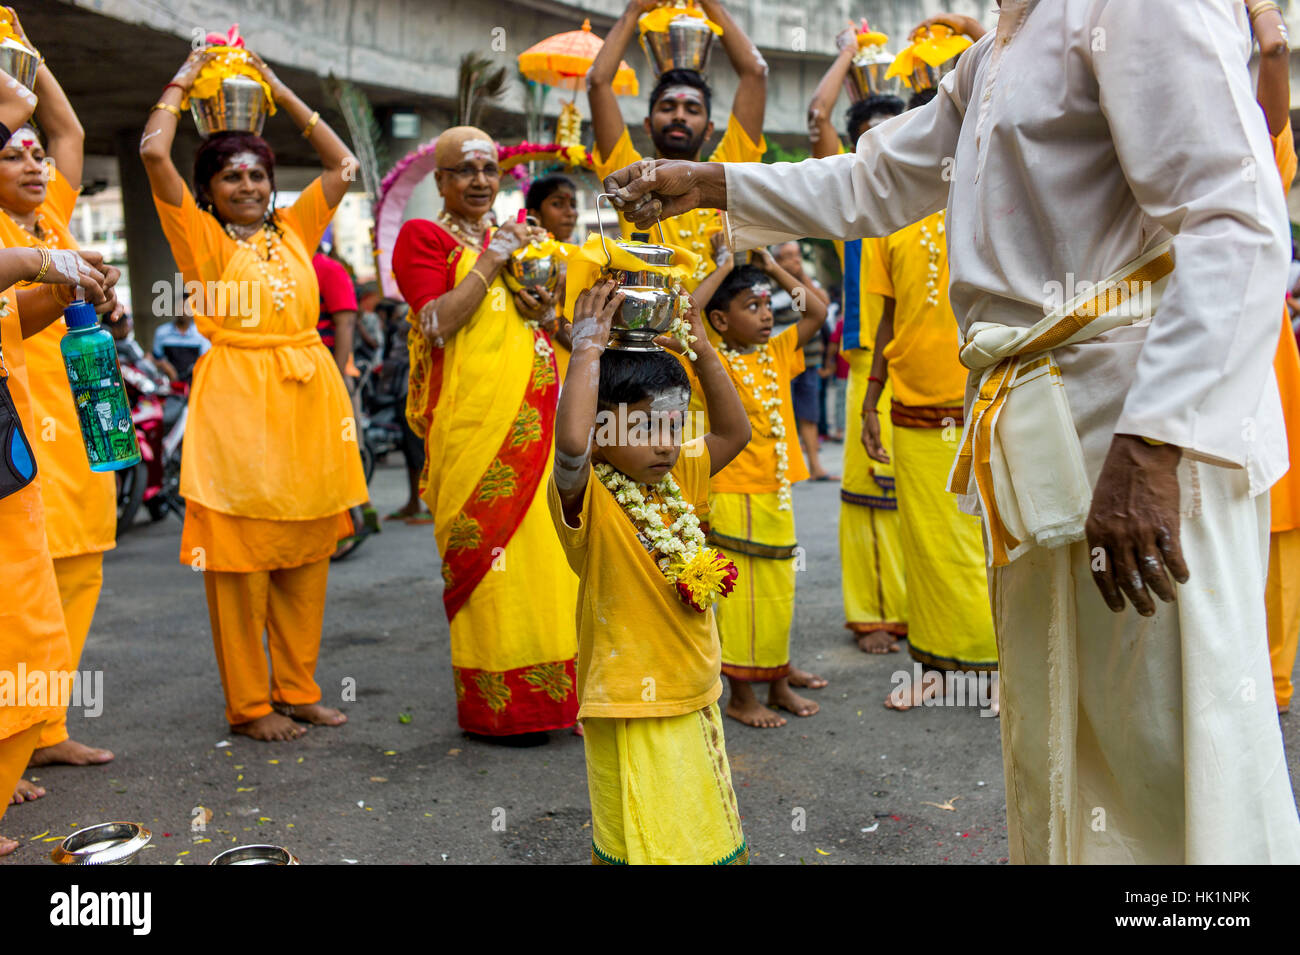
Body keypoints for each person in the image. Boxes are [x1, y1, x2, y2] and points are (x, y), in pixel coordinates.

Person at [605, 0, 1300, 864]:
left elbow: (1236, 221)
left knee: (1173, 742)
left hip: (1139, 430)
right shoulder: (1004, 42)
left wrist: (1154, 444)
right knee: (1067, 732)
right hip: (1052, 425)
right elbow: (876, 177)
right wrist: (710, 186)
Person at [141, 47, 368, 742]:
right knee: (239, 563)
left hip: (309, 400)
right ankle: (250, 704)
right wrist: (183, 78)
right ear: (208, 189)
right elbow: (154, 153)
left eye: (258, 173)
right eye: (232, 174)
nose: (247, 183)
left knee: (305, 553)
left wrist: (275, 87)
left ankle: (297, 688)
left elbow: (344, 167)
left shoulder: (294, 230)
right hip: (237, 406)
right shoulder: (199, 238)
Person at [549, 277, 751, 864]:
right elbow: (568, 445)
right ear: (601, 433)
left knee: (698, 819)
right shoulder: (587, 493)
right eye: (641, 428)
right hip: (629, 696)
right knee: (644, 831)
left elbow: (735, 432)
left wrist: (702, 349)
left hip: (693, 684)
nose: (664, 444)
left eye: (672, 425)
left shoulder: (680, 476)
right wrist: (587, 348)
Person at [391, 126, 579, 742]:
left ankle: (562, 699)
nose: (478, 181)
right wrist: (493, 258)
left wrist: (541, 302)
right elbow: (436, 323)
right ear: (440, 181)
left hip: (539, 417)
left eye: (488, 169)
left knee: (551, 559)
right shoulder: (424, 237)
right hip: (473, 426)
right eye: (464, 171)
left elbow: (547, 318)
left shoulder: (528, 238)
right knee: (491, 562)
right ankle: (501, 708)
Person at [0, 12, 116, 776]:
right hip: (16, 417)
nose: (37, 164)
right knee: (18, 586)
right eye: (13, 156)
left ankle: (45, 726)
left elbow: (65, 127)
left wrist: (25, 51)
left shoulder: (50, 222)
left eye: (37, 157)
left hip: (71, 420)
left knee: (73, 574)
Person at [858, 90, 998, 708]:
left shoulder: (999, 194)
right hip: (912, 401)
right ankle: (939, 667)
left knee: (997, 540)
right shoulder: (889, 215)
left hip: (990, 396)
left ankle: (1003, 669)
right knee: (928, 546)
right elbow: (884, 320)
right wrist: (868, 404)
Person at [692, 254, 829, 727]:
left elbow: (816, 310)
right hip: (730, 492)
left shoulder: (776, 351)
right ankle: (741, 695)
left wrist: (771, 268)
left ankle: (777, 681)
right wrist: (722, 265)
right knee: (738, 600)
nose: (767, 314)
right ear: (720, 320)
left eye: (767, 305)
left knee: (778, 593)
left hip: (775, 491)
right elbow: (687, 311)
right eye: (752, 306)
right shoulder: (706, 359)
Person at [808, 44, 908, 653]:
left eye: (894, 133)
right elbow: (819, 117)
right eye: (868, 136)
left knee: (924, 490)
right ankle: (873, 615)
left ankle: (927, 609)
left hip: (928, 353)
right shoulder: (848, 188)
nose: (882, 146)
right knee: (870, 488)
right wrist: (852, 50)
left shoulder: (934, 185)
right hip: (869, 351)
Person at [588, 0, 766, 286]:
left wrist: (710, 4)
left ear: (709, 129)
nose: (680, 116)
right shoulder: (632, 175)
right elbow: (598, 82)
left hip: (720, 332)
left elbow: (756, 73)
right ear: (648, 124)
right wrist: (635, 10)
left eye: (692, 110)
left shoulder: (727, 169)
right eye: (668, 107)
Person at [1248, 0, 1300, 714]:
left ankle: (1273, 678)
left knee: (1277, 516)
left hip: (1265, 357)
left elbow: (1275, 68)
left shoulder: (1260, 148)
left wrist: (1263, 20)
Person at [314, 239, 380, 544]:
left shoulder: (327, 270)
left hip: (332, 376)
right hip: (299, 379)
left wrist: (335, 379)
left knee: (343, 450)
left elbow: (345, 324)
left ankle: (356, 520)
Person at [770, 241, 834, 480]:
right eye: (788, 256)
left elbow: (823, 304)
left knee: (810, 413)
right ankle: (787, 468)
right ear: (777, 260)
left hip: (810, 359)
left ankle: (815, 466)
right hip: (782, 358)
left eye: (797, 255)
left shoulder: (808, 283)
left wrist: (802, 276)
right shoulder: (770, 285)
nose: (795, 261)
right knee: (783, 413)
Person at [151, 305, 210, 383]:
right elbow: (155, 357)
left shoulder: (201, 333)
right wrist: (165, 366)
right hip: (169, 383)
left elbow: (206, 361)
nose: (183, 311)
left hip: (193, 383)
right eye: (180, 307)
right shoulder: (162, 332)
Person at [524, 173, 579, 244]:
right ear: (535, 214)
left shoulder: (576, 253)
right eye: (557, 204)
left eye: (573, 205)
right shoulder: (520, 253)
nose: (570, 213)